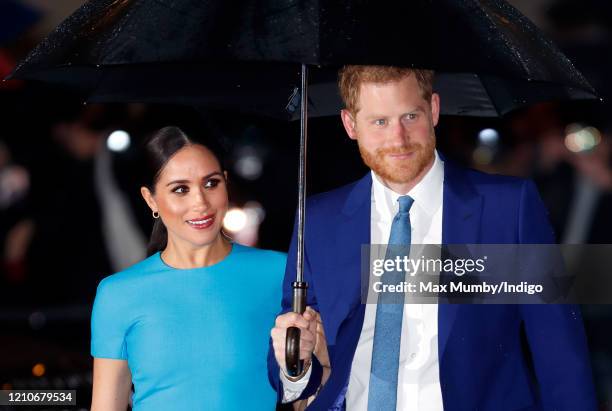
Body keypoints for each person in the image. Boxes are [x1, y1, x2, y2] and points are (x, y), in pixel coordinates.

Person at [268, 66, 597, 410]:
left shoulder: (506, 208)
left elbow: (559, 348)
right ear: (351, 124)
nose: (398, 138)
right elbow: (291, 369)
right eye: (379, 122)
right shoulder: (319, 219)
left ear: (434, 109)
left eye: (410, 116)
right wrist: (296, 364)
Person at [90, 126, 285, 411]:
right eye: (181, 189)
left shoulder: (280, 272)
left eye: (211, 183)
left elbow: (310, 393)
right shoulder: (117, 294)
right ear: (150, 199)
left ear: (226, 183)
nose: (200, 202)